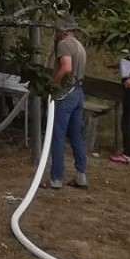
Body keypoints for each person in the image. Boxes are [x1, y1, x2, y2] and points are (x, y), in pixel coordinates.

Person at [48, 21, 88, 189]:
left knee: (57, 135)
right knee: (76, 135)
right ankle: (81, 176)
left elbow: (66, 67)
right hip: (78, 92)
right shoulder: (79, 45)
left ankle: (56, 178)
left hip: (66, 93)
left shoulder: (64, 44)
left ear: (63, 31)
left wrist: (52, 83)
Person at [110, 55, 130, 164]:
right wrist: (117, 65)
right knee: (128, 119)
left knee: (129, 120)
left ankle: (128, 154)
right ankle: (127, 150)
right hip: (129, 85)